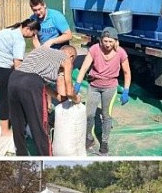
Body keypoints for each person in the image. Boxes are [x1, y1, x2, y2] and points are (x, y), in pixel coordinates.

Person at [8, 45, 80, 156]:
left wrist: (57, 96)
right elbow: (69, 92)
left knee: (18, 124)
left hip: (14, 79)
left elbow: (42, 82)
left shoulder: (43, 51)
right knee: (39, 125)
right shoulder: (66, 60)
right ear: (71, 56)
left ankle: (21, 156)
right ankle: (46, 157)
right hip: (32, 83)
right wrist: (76, 98)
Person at [74, 27, 131, 155]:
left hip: (110, 87)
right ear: (101, 40)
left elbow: (127, 72)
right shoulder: (95, 49)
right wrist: (77, 83)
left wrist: (126, 90)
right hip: (94, 85)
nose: (107, 44)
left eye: (110, 41)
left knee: (106, 115)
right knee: (89, 114)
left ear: (115, 41)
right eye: (105, 41)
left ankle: (104, 142)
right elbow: (84, 68)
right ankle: (89, 138)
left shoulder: (121, 53)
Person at [0, 18, 41, 136]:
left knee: (9, 93)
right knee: (6, 97)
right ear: (27, 29)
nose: (32, 37)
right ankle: (5, 130)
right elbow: (18, 66)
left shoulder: (10, 30)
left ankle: (14, 119)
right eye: (33, 34)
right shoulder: (19, 40)